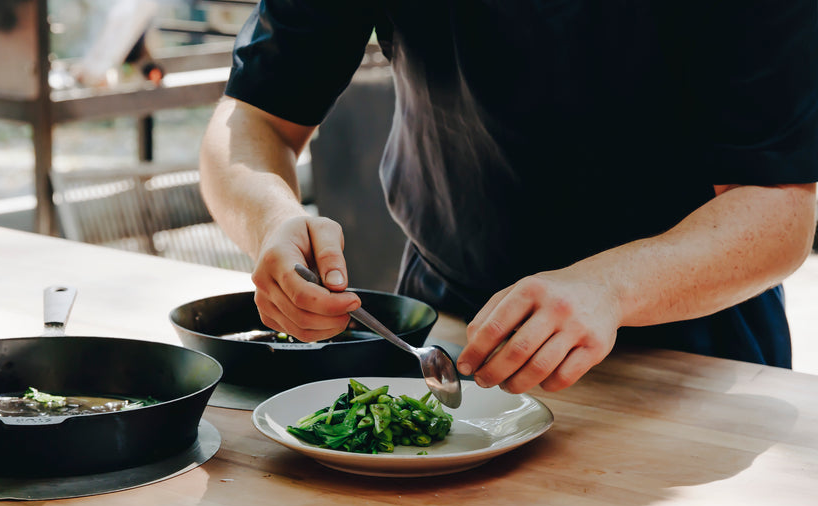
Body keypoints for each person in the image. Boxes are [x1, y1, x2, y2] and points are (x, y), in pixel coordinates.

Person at [198, 1, 818, 395]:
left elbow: (778, 208)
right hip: (449, 327)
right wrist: (271, 219)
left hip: (689, 344)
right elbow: (254, 121)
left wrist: (609, 287)